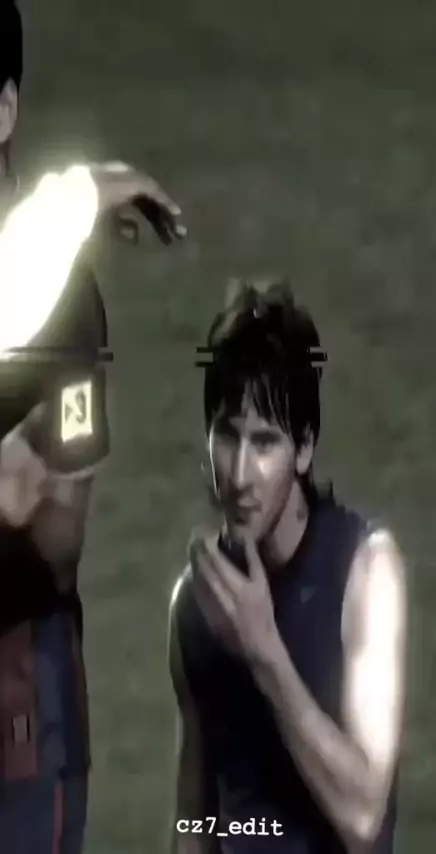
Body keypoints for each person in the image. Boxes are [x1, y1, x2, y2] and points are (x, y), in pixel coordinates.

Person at [0, 3, 185, 853]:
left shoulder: (67, 311)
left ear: (4, 110)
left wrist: (28, 492)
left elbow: (60, 541)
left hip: (18, 705)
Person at [168, 281, 407, 853]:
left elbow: (363, 817)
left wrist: (263, 651)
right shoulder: (197, 603)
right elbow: (195, 819)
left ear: (303, 449)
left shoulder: (364, 573)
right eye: (228, 436)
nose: (240, 475)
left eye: (264, 443)